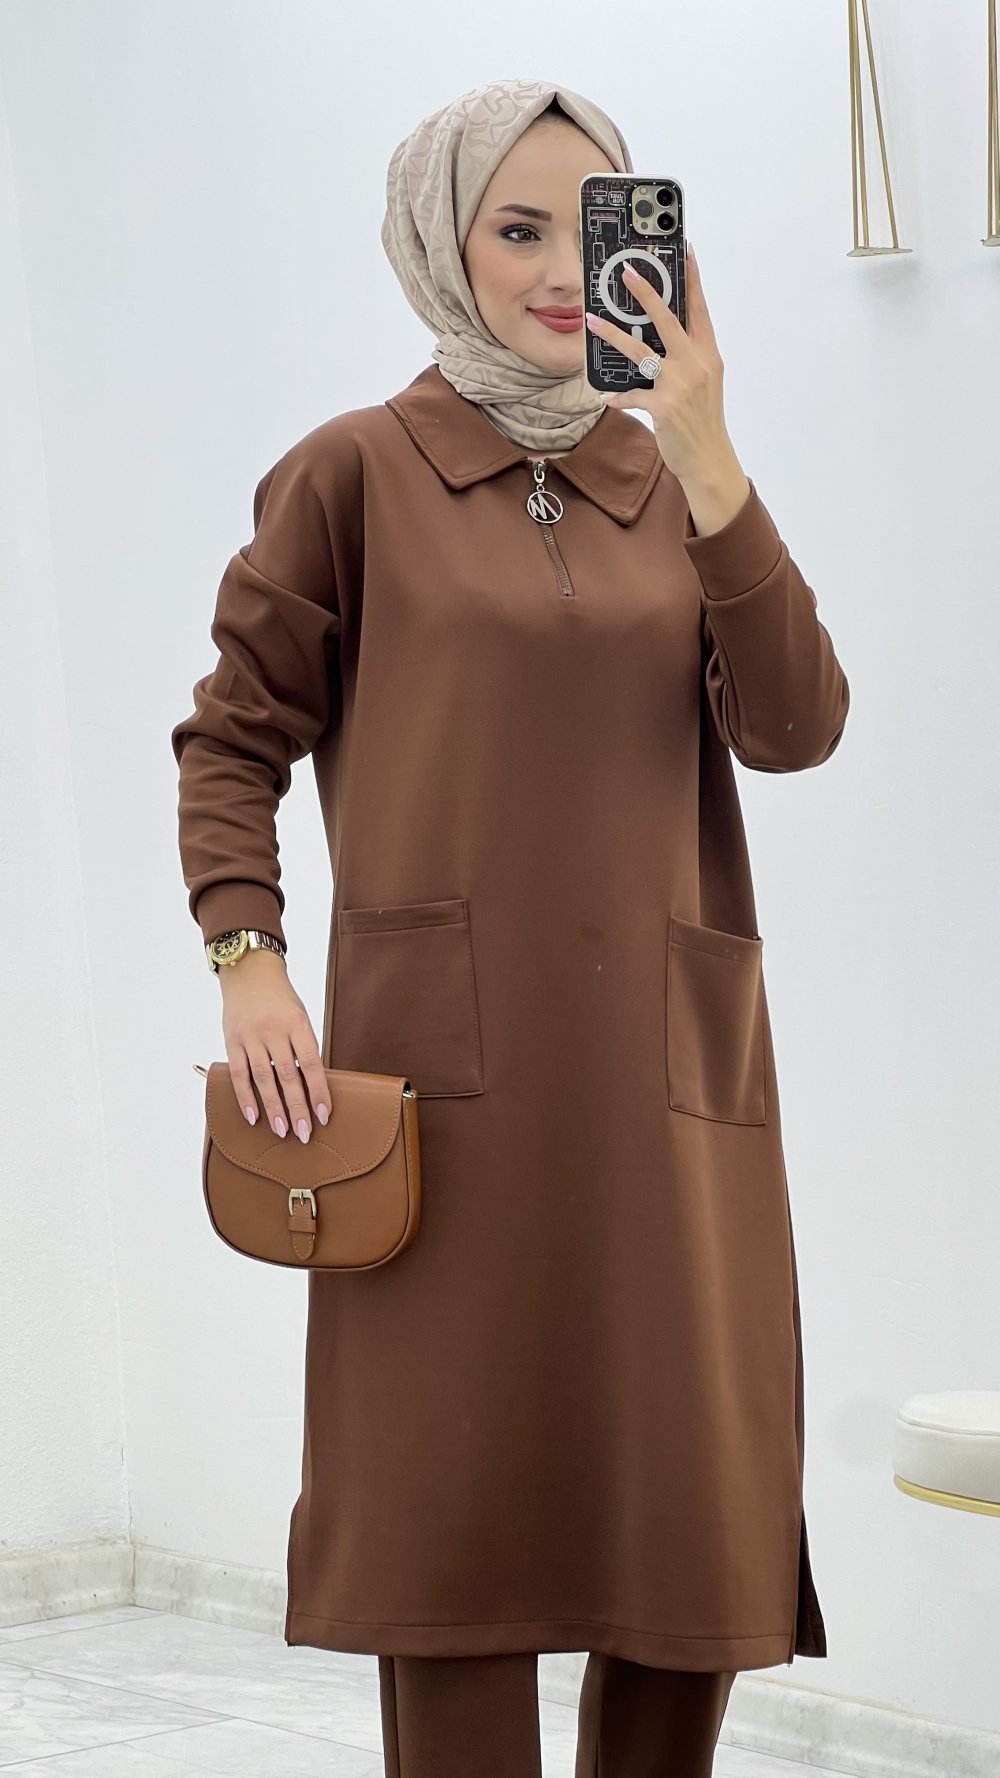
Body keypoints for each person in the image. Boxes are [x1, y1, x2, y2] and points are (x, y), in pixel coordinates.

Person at [171, 76, 849, 1778]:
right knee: (451, 1538)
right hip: (445, 1104)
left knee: (684, 1525)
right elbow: (233, 738)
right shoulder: (353, 475)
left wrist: (707, 449)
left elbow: (795, 724)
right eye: (518, 228)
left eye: (594, 230)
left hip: (667, 1104)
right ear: (440, 241)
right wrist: (249, 959)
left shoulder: (675, 489)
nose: (562, 273)